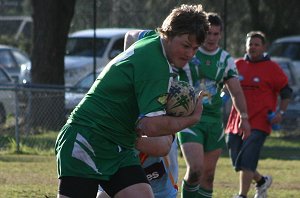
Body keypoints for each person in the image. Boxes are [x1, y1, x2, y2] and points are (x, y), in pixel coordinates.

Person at [55, 4, 209, 198]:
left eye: (195, 48)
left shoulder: (153, 39)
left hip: (118, 144)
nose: (189, 54)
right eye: (186, 45)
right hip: (87, 136)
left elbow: (132, 35)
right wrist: (191, 119)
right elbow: (150, 127)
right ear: (168, 34)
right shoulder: (155, 66)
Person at [177, 12, 251, 198]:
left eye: (216, 34)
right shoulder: (189, 51)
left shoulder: (225, 59)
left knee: (208, 176)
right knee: (195, 170)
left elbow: (236, 91)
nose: (211, 38)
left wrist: (244, 117)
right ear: (203, 32)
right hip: (190, 119)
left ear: (221, 35)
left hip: (214, 120)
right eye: (209, 33)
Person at [225, 31, 293, 198]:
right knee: (237, 161)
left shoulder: (272, 68)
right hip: (237, 122)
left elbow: (286, 92)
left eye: (256, 44)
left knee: (247, 158)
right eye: (250, 44)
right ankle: (261, 181)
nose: (253, 47)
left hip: (260, 122)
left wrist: (281, 112)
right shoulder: (237, 64)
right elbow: (225, 86)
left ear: (264, 47)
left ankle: (242, 195)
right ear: (246, 46)